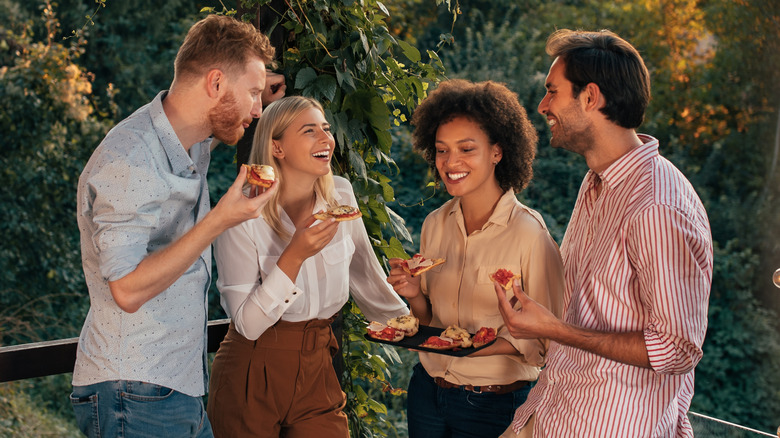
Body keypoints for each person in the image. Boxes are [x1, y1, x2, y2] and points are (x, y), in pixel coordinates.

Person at [70, 14, 286, 437]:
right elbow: (127, 290)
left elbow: (225, 113)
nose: (258, 110)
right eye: (255, 95)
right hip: (133, 392)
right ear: (217, 83)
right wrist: (220, 218)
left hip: (170, 388)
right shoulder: (131, 160)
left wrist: (258, 82)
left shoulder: (187, 138)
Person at [495, 29, 713, 438]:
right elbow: (591, 303)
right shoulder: (597, 181)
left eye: (552, 92)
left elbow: (676, 347)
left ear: (590, 97)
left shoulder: (656, 206)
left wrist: (554, 329)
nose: (542, 105)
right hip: (553, 409)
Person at [206, 96, 409, 437]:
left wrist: (417, 331)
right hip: (251, 371)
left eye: (326, 129)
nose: (326, 139)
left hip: (318, 366)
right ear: (278, 148)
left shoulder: (340, 195)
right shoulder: (242, 212)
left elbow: (365, 275)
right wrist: (294, 256)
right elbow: (247, 325)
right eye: (309, 130)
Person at [385, 79, 565, 438]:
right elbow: (429, 323)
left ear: (497, 151)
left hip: (492, 405)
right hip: (426, 393)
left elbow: (549, 342)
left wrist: (469, 349)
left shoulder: (530, 234)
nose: (451, 162)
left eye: (467, 149)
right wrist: (415, 295)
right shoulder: (435, 224)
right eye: (441, 150)